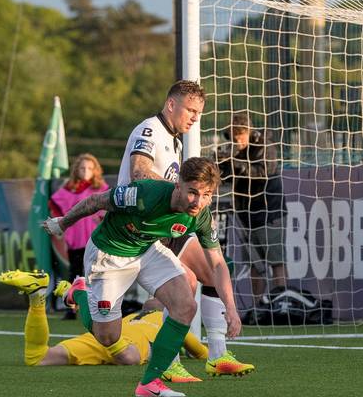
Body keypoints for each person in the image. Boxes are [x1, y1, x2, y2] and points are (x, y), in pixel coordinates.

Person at [42, 157, 231, 397]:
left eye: (206, 195)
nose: (198, 201)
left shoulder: (201, 215)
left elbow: (217, 263)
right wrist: (63, 223)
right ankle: (79, 292)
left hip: (148, 250)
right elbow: (94, 201)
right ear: (178, 185)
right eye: (193, 192)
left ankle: (150, 384)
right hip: (108, 255)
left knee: (185, 306)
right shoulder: (143, 194)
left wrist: (231, 308)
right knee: (108, 337)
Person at [117, 79, 253, 377]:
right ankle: (169, 359)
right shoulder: (149, 129)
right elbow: (139, 172)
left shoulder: (175, 140)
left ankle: (215, 355)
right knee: (188, 281)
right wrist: (183, 192)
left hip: (165, 224)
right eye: (190, 110)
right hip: (141, 224)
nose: (194, 117)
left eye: (198, 112)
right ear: (171, 104)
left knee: (202, 274)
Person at [0, 269, 207, 379]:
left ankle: (37, 296)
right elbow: (200, 353)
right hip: (122, 346)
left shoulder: (131, 317)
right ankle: (78, 293)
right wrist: (212, 352)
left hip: (102, 335)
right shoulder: (170, 321)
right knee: (130, 358)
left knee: (37, 357)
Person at [218, 111, 287, 310]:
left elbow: (262, 173)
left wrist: (235, 163)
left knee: (276, 261)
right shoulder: (236, 152)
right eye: (233, 136)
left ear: (248, 132)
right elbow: (230, 178)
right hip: (247, 217)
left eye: (239, 135)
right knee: (255, 265)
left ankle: (281, 304)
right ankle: (258, 307)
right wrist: (222, 165)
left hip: (269, 213)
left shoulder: (265, 146)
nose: (236, 141)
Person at [49, 153, 109, 320]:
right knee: (74, 274)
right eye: (82, 168)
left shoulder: (101, 188)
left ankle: (98, 307)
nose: (86, 171)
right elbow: (54, 203)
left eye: (90, 168)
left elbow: (109, 209)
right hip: (75, 240)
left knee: (96, 274)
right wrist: (60, 223)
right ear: (76, 170)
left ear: (96, 170)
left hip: (96, 239)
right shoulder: (70, 188)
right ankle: (71, 309)